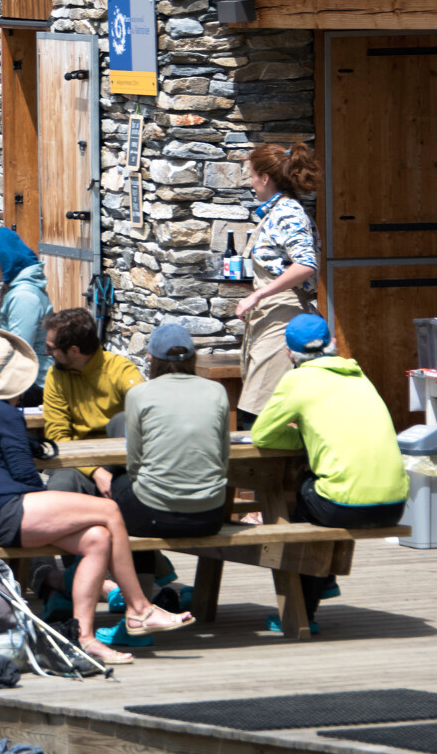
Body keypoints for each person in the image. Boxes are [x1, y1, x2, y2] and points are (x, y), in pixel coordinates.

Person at [0, 328, 190, 665]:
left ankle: (85, 638)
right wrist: (50, 513)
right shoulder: (6, 415)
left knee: (97, 539)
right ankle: (139, 608)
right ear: (18, 383)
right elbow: (24, 476)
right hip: (0, 510)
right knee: (108, 510)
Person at [249, 314, 408, 633]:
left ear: (288, 355)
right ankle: (325, 579)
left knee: (303, 498)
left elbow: (262, 435)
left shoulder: (297, 380)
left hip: (345, 507)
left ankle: (302, 612)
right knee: (324, 490)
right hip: (395, 506)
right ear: (333, 345)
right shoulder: (358, 375)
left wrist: (303, 438)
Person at [113, 322, 232, 589]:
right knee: (133, 494)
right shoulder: (217, 391)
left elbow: (134, 462)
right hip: (210, 514)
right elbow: (224, 458)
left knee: (119, 488)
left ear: (151, 359)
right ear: (192, 357)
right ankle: (155, 585)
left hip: (156, 515)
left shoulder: (139, 394)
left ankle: (141, 597)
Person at [232, 142, 321, 428]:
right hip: (271, 315)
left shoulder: (288, 213)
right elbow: (281, 267)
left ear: (265, 178)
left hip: (282, 319)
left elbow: (306, 264)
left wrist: (259, 293)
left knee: (258, 415)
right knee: (259, 407)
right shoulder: (276, 212)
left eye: (252, 174)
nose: (250, 182)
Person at [39, 308, 144, 498]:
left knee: (123, 420)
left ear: (74, 350)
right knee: (58, 491)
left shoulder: (120, 370)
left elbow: (146, 413)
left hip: (120, 457)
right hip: (76, 460)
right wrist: (96, 472)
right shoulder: (56, 376)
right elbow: (57, 435)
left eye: (51, 348)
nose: (47, 353)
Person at [0, 228, 51, 398]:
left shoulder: (24, 296)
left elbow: (20, 353)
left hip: (34, 386)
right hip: (16, 381)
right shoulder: (5, 287)